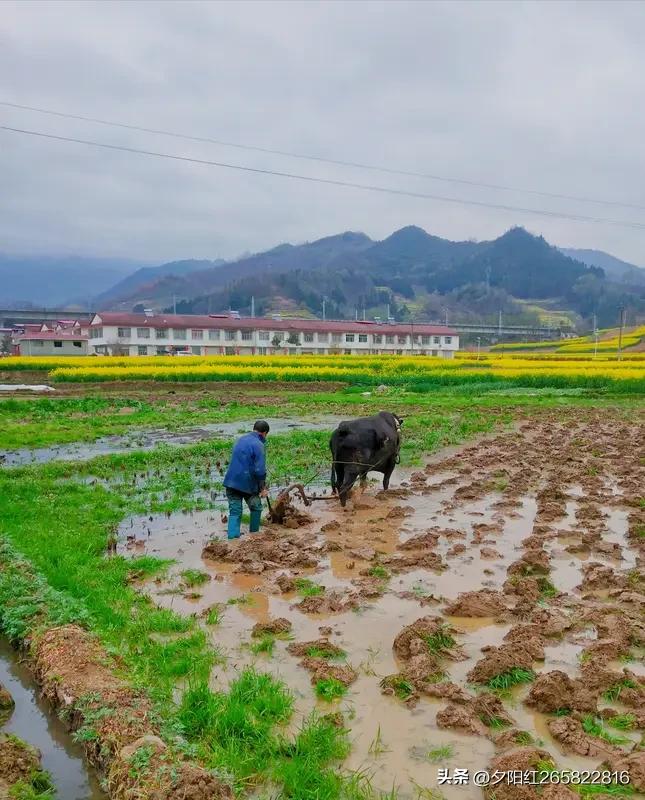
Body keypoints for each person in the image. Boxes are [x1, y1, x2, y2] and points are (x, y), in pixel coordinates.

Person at [223, 420, 270, 540]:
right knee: (256, 507)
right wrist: (263, 488)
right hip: (248, 485)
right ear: (264, 433)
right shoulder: (258, 444)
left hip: (231, 483)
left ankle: (232, 540)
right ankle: (254, 535)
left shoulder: (240, 439)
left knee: (235, 512)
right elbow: (260, 470)